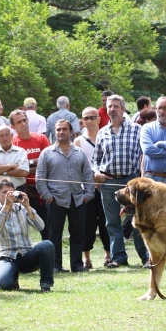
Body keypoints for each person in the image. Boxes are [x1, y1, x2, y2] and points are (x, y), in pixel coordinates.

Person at [92, 94, 149, 268]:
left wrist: (142, 178)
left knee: (138, 220)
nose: (112, 109)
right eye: (109, 106)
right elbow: (95, 160)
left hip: (131, 182)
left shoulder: (136, 129)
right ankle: (118, 257)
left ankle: (146, 257)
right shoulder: (102, 132)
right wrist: (97, 174)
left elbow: (143, 156)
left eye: (116, 106)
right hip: (109, 182)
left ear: (123, 109)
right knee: (111, 222)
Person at [36, 120, 94, 272]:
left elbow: (88, 175)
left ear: (70, 131)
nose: (61, 132)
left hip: (78, 199)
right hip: (56, 199)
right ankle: (55, 265)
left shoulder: (79, 153)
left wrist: (88, 194)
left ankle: (76, 264)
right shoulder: (46, 153)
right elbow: (40, 178)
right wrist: (48, 197)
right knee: (54, 234)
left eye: (64, 129)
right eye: (58, 130)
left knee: (79, 233)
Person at [0, 179, 54, 292]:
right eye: (4, 192)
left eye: (11, 192)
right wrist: (5, 208)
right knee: (0, 284)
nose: (9, 195)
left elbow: (41, 227)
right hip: (7, 256)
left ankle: (46, 285)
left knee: (47, 245)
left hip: (26, 255)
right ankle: (12, 278)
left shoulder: (22, 209)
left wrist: (28, 207)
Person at [73, 107, 111, 269]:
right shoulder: (78, 141)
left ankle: (109, 255)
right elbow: (77, 167)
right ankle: (86, 258)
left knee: (106, 222)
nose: (89, 121)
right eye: (85, 118)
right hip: (86, 188)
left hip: (106, 186)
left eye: (92, 117)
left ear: (98, 119)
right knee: (87, 224)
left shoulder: (107, 136)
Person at [11, 109, 51, 240]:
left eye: (24, 120)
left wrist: (27, 164)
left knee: (47, 228)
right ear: (13, 126)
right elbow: (15, 168)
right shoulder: (13, 144)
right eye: (19, 122)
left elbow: (48, 161)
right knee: (21, 229)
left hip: (43, 191)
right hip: (23, 190)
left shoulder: (41, 138)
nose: (23, 124)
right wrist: (35, 164)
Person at [0, 125, 29, 209]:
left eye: (7, 135)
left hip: (18, 190)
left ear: (12, 136)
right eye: (1, 136)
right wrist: (12, 166)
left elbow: (23, 172)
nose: (5, 138)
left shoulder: (21, 152)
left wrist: (1, 171)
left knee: (20, 218)